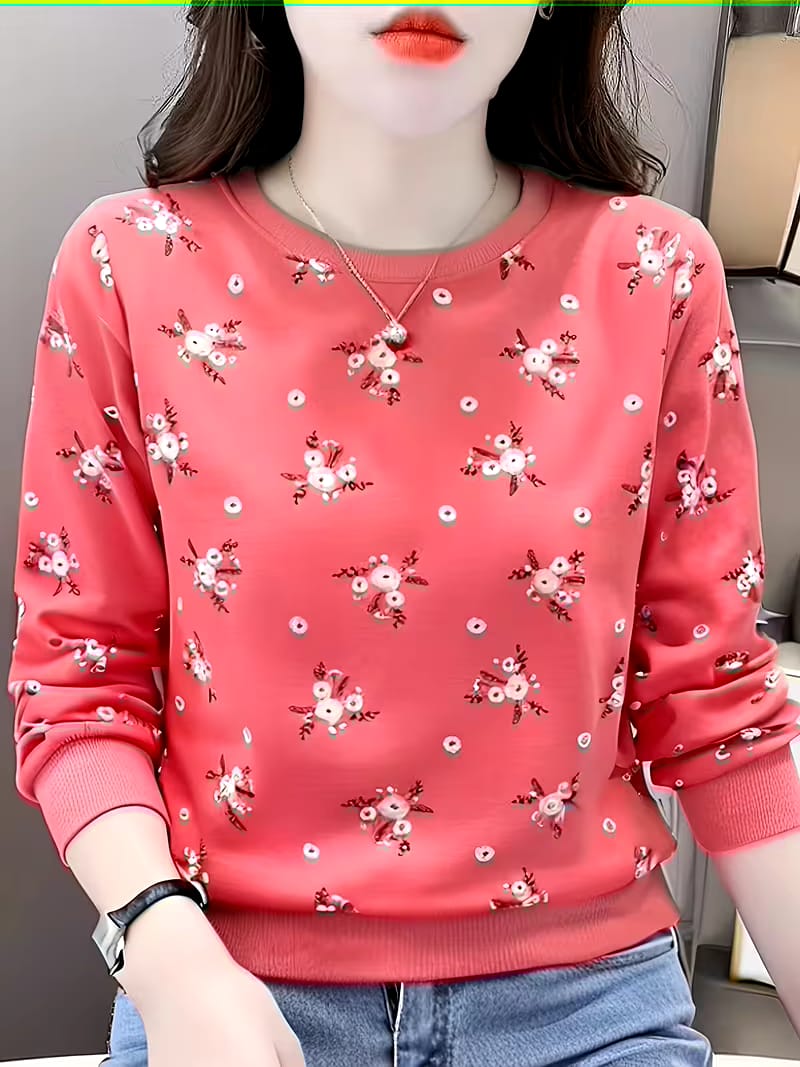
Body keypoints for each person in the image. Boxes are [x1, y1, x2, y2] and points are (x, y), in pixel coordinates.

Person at [9, 4, 800, 1066]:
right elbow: (79, 683)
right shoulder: (127, 267)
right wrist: (165, 952)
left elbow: (718, 709)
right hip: (228, 994)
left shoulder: (653, 275)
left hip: (587, 1010)